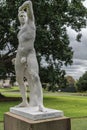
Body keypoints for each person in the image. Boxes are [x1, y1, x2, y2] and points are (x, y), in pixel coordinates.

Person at [15, 0, 45, 112]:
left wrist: (22, 7)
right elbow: (20, 44)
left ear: (27, 16)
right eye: (20, 16)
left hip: (30, 53)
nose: (22, 17)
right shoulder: (19, 31)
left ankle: (40, 104)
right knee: (19, 79)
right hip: (19, 55)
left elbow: (29, 2)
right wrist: (18, 57)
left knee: (35, 77)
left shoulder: (31, 23)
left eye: (23, 15)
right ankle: (24, 101)